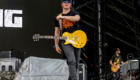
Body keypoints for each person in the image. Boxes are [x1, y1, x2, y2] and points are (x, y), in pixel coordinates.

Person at [54, 0, 81, 80]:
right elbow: (57, 31)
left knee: (75, 64)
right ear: (62, 4)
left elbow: (77, 18)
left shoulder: (74, 13)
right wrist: (56, 45)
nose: (66, 2)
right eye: (64, 1)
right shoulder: (58, 17)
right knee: (71, 61)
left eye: (68, 1)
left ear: (70, 4)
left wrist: (63, 17)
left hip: (77, 40)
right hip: (66, 41)